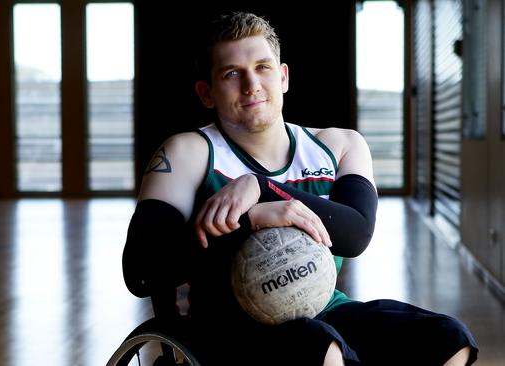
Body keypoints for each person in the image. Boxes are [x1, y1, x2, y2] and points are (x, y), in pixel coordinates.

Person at [122, 11, 478, 365]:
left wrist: (262, 188)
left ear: (283, 76)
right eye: (232, 74)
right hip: (228, 325)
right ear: (207, 93)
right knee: (319, 346)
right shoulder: (188, 153)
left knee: (449, 338)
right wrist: (250, 220)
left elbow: (355, 234)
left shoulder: (338, 146)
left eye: (262, 67)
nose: (252, 85)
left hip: (321, 307)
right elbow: (141, 269)